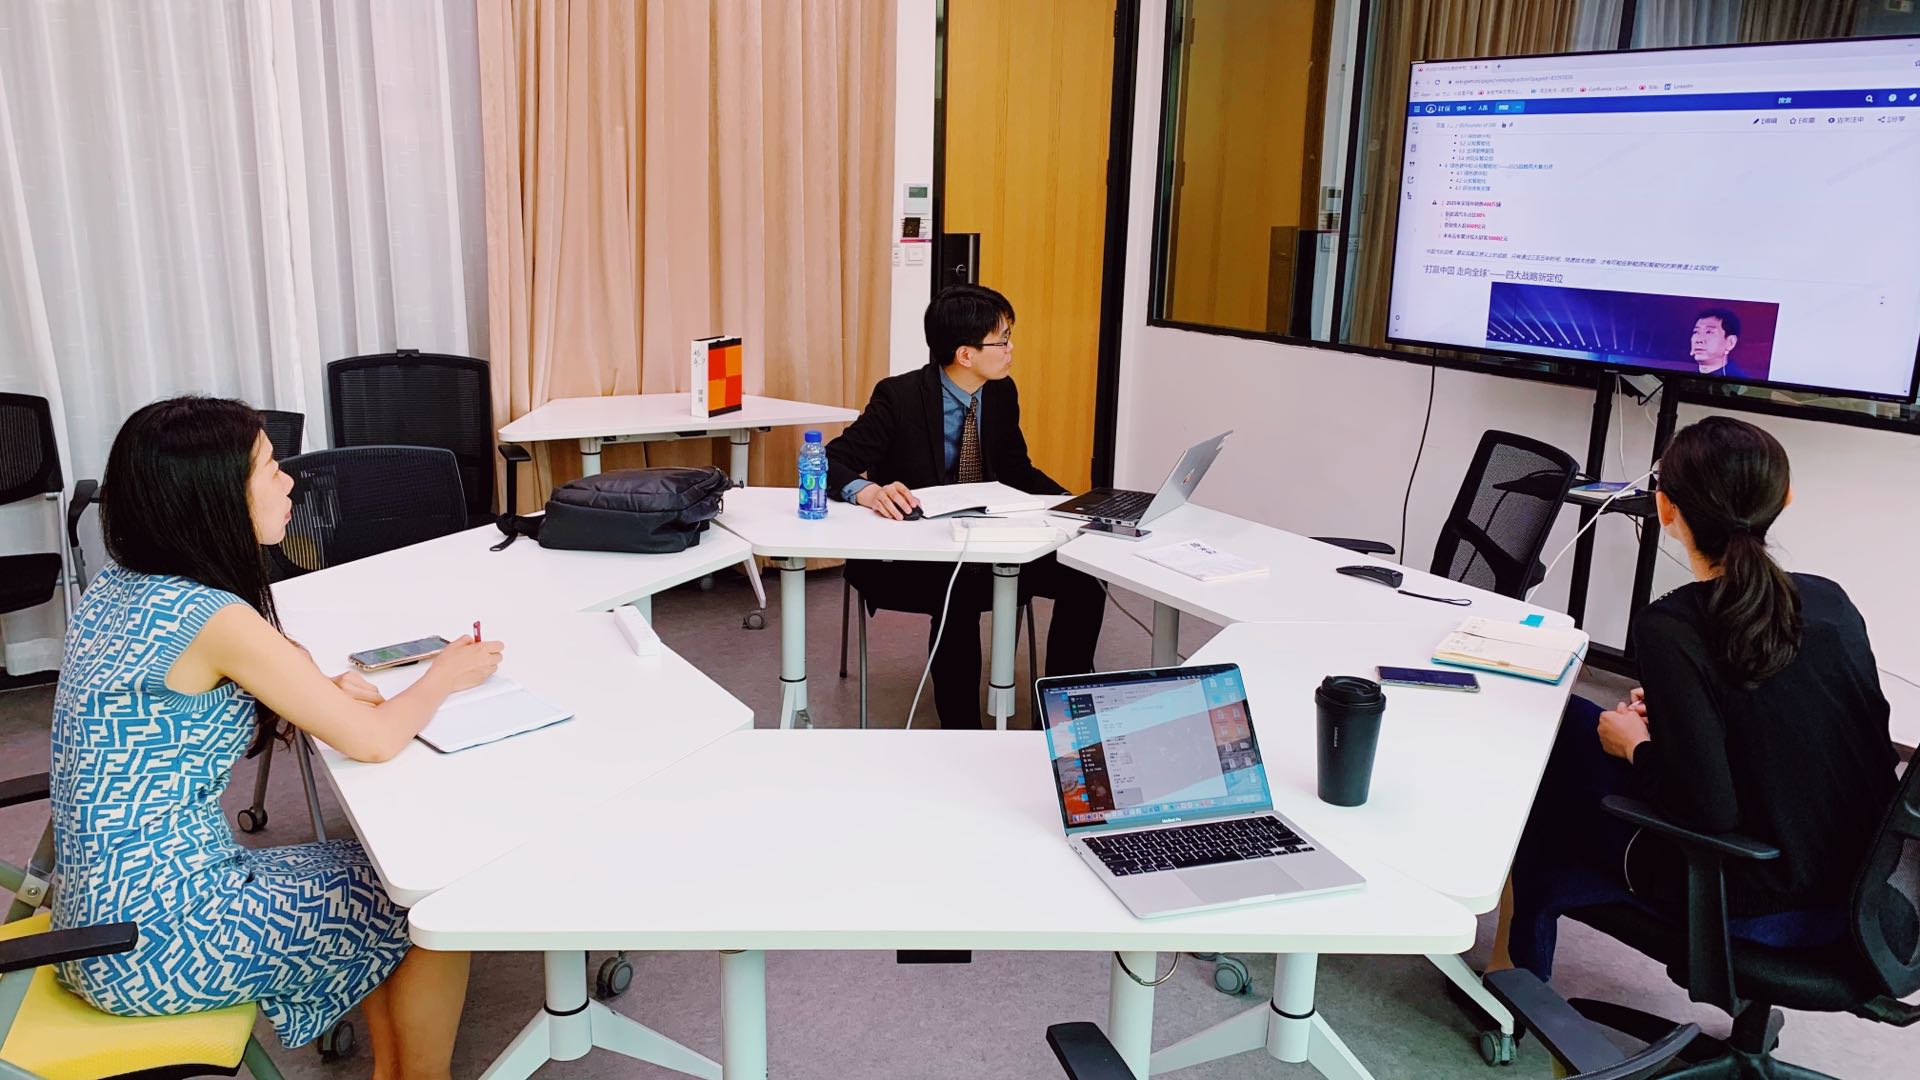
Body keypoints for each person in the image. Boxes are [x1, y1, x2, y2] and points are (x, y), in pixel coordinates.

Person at [50, 397, 501, 1080]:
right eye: (268, 470)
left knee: (379, 876)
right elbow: (375, 741)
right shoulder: (213, 616)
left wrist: (312, 687)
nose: (290, 483)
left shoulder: (121, 586)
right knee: (427, 892)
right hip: (157, 939)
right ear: (212, 498)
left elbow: (197, 689)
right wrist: (445, 674)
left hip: (94, 924)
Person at [1489, 416, 1897, 981]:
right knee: (1573, 723)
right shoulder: (1830, 599)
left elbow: (1708, 811)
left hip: (1757, 903)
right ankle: (1513, 970)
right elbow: (1794, 719)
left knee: (1551, 760)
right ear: (1786, 498)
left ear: (1665, 508)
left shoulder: (1672, 625)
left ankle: (1513, 977)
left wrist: (1636, 745)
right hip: (1869, 893)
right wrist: (1678, 714)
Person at [826, 284, 1107, 729]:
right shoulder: (899, 397)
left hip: (991, 546)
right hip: (915, 557)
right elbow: (828, 461)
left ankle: (1058, 722)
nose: (1011, 349)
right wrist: (869, 491)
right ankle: (963, 734)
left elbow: (1016, 469)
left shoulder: (1000, 393)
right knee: (956, 597)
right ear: (965, 355)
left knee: (1085, 582)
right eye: (1002, 340)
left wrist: (1074, 505)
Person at [1688, 307, 1742, 377]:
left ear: (1730, 342)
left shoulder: (1738, 379)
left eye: (1709, 332)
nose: (1699, 340)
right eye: (1696, 332)